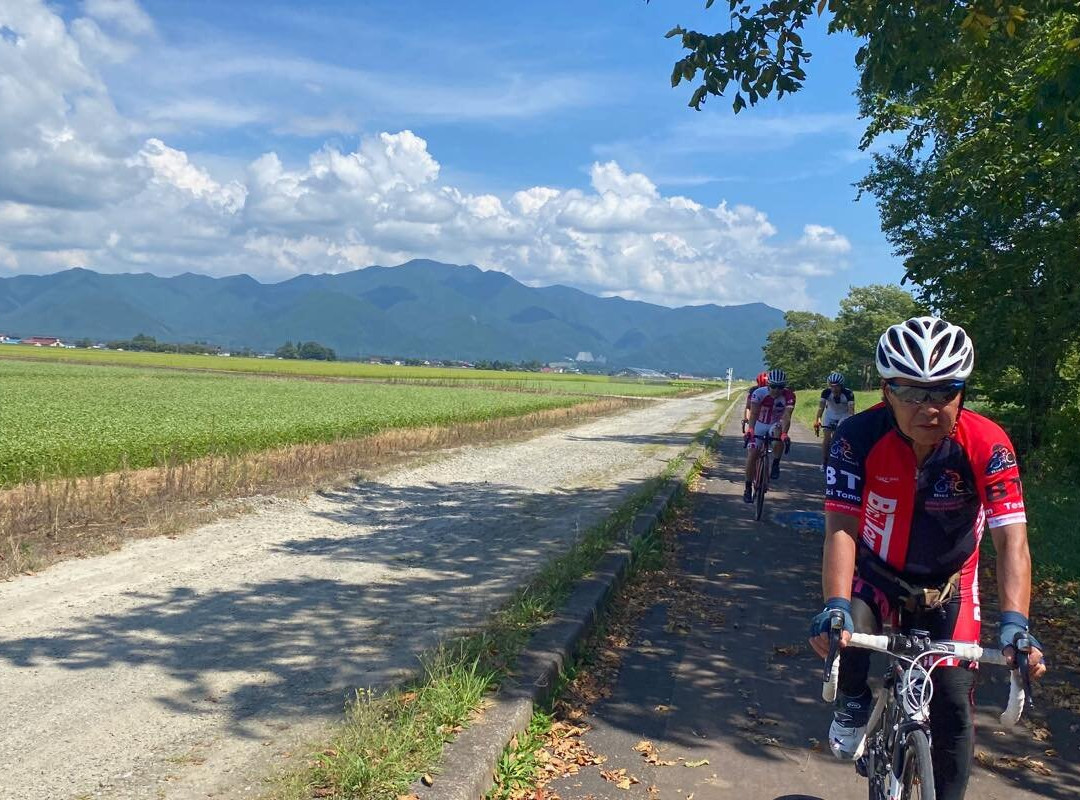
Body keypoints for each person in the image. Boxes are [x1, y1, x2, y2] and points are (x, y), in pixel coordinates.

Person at [807, 316, 1046, 800]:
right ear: (885, 390)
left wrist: (1016, 623)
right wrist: (833, 603)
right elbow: (841, 530)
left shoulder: (988, 443)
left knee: (955, 707)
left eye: (944, 391)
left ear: (962, 391)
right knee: (849, 624)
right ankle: (853, 701)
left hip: (950, 581)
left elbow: (1011, 541)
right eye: (910, 391)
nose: (928, 407)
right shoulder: (856, 436)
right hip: (875, 571)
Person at [742, 368, 795, 503]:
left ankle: (776, 463)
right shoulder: (758, 393)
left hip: (775, 423)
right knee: (752, 454)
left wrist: (784, 434)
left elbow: (787, 417)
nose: (777, 390)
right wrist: (751, 430)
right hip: (759, 423)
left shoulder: (789, 396)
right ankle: (748, 488)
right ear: (768, 385)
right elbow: (753, 414)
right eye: (773, 387)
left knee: (778, 434)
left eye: (780, 387)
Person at [813, 372, 856, 472]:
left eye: (837, 386)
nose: (834, 389)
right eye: (832, 386)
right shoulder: (826, 392)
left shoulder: (848, 393)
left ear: (841, 386)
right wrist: (818, 420)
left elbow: (851, 411)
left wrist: (850, 423)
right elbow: (821, 407)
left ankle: (845, 459)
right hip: (830, 415)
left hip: (844, 415)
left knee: (842, 437)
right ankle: (824, 461)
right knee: (827, 438)